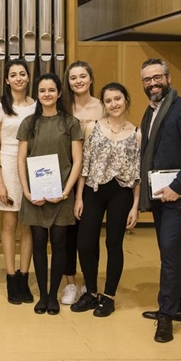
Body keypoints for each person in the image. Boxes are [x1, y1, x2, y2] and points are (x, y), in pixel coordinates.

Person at [138, 58, 181, 343]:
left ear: (168, 77)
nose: (153, 83)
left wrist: (178, 187)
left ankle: (166, 316)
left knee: (168, 249)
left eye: (157, 77)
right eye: (147, 80)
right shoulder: (150, 111)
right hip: (159, 193)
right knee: (173, 249)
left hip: (178, 194)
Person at [72, 83, 141, 317]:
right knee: (85, 243)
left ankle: (108, 296)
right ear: (104, 104)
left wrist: (135, 206)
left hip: (121, 192)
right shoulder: (92, 127)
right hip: (93, 188)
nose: (114, 104)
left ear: (126, 100)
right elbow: (84, 164)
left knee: (114, 244)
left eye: (118, 99)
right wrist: (79, 197)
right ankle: (91, 292)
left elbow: (137, 173)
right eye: (109, 100)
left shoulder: (136, 133)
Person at [17, 73, 83, 315]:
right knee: (37, 244)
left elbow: (77, 161)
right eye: (42, 90)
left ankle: (54, 294)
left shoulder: (70, 123)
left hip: (60, 196)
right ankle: (42, 296)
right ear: (38, 94)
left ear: (59, 93)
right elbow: (21, 159)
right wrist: (26, 190)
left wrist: (66, 192)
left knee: (58, 244)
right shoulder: (28, 123)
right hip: (35, 196)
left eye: (51, 90)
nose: (47, 94)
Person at [0, 59, 36, 304]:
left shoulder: (37, 106)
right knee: (9, 224)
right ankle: (10, 277)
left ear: (28, 78)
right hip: (7, 165)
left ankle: (24, 276)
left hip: (30, 167)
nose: (18, 78)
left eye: (22, 74)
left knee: (28, 225)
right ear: (6, 80)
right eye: (13, 74)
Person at [59, 60, 105, 305]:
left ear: (90, 78)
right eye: (73, 77)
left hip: (94, 177)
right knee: (68, 233)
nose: (78, 81)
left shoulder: (103, 106)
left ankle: (90, 282)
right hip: (67, 173)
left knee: (90, 233)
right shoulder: (63, 107)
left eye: (82, 76)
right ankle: (70, 284)